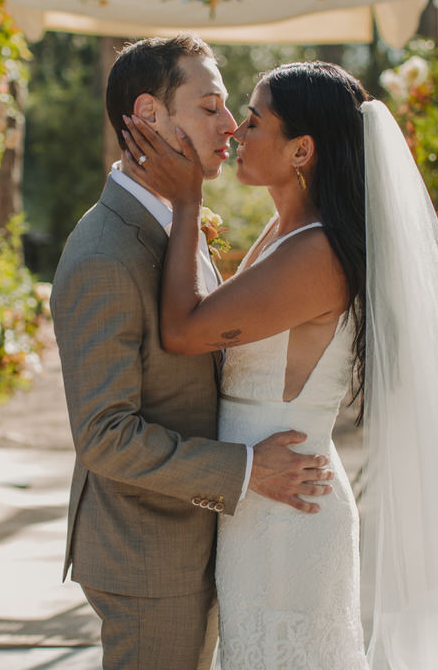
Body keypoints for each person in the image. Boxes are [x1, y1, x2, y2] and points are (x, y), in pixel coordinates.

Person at [121, 60, 438, 669]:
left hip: (289, 515)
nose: (237, 130)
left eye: (254, 120)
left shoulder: (316, 252)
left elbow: (185, 332)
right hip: (260, 500)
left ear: (302, 149)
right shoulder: (284, 231)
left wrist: (188, 203)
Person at [50, 35, 335, 670]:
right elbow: (104, 436)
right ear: (148, 114)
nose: (231, 125)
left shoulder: (176, 221)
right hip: (149, 556)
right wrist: (245, 470)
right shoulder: (105, 255)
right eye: (210, 107)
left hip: (207, 543)